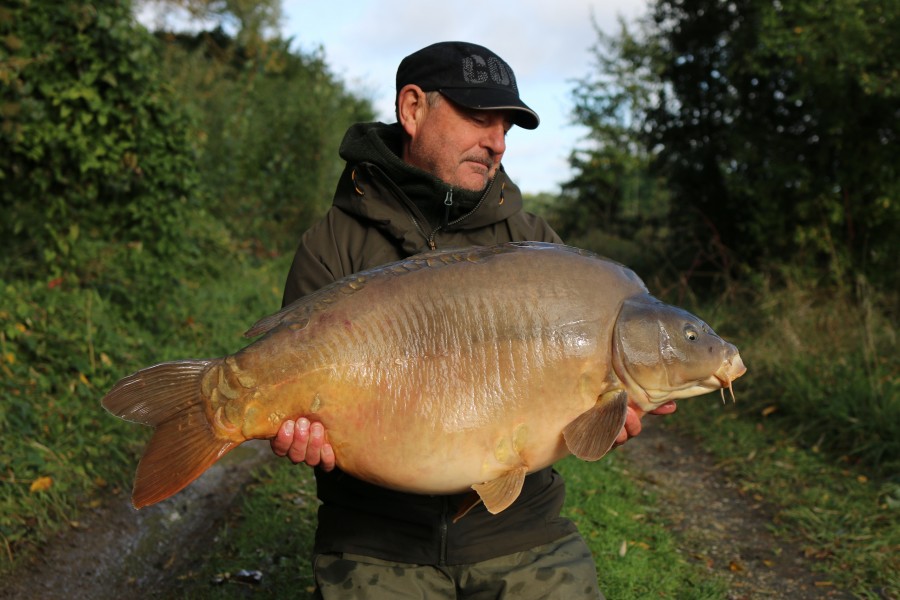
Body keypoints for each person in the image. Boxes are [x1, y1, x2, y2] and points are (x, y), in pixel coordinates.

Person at [269, 41, 676, 599]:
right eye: (480, 120)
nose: (498, 143)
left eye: (505, 127)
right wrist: (303, 433)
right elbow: (297, 395)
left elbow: (583, 410)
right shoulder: (333, 244)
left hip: (520, 530)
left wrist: (605, 421)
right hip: (374, 540)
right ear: (412, 110)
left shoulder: (538, 249)